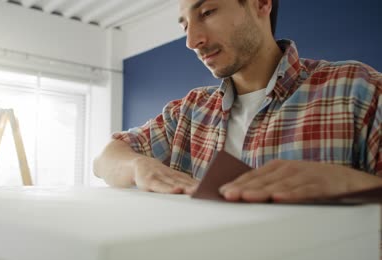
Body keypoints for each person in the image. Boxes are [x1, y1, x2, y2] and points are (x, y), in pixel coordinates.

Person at [93, 0, 382, 203]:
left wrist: (353, 184)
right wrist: (138, 167)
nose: (192, 40)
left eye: (206, 12)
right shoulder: (189, 112)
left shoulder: (358, 88)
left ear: (261, 3)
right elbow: (105, 159)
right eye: (185, 26)